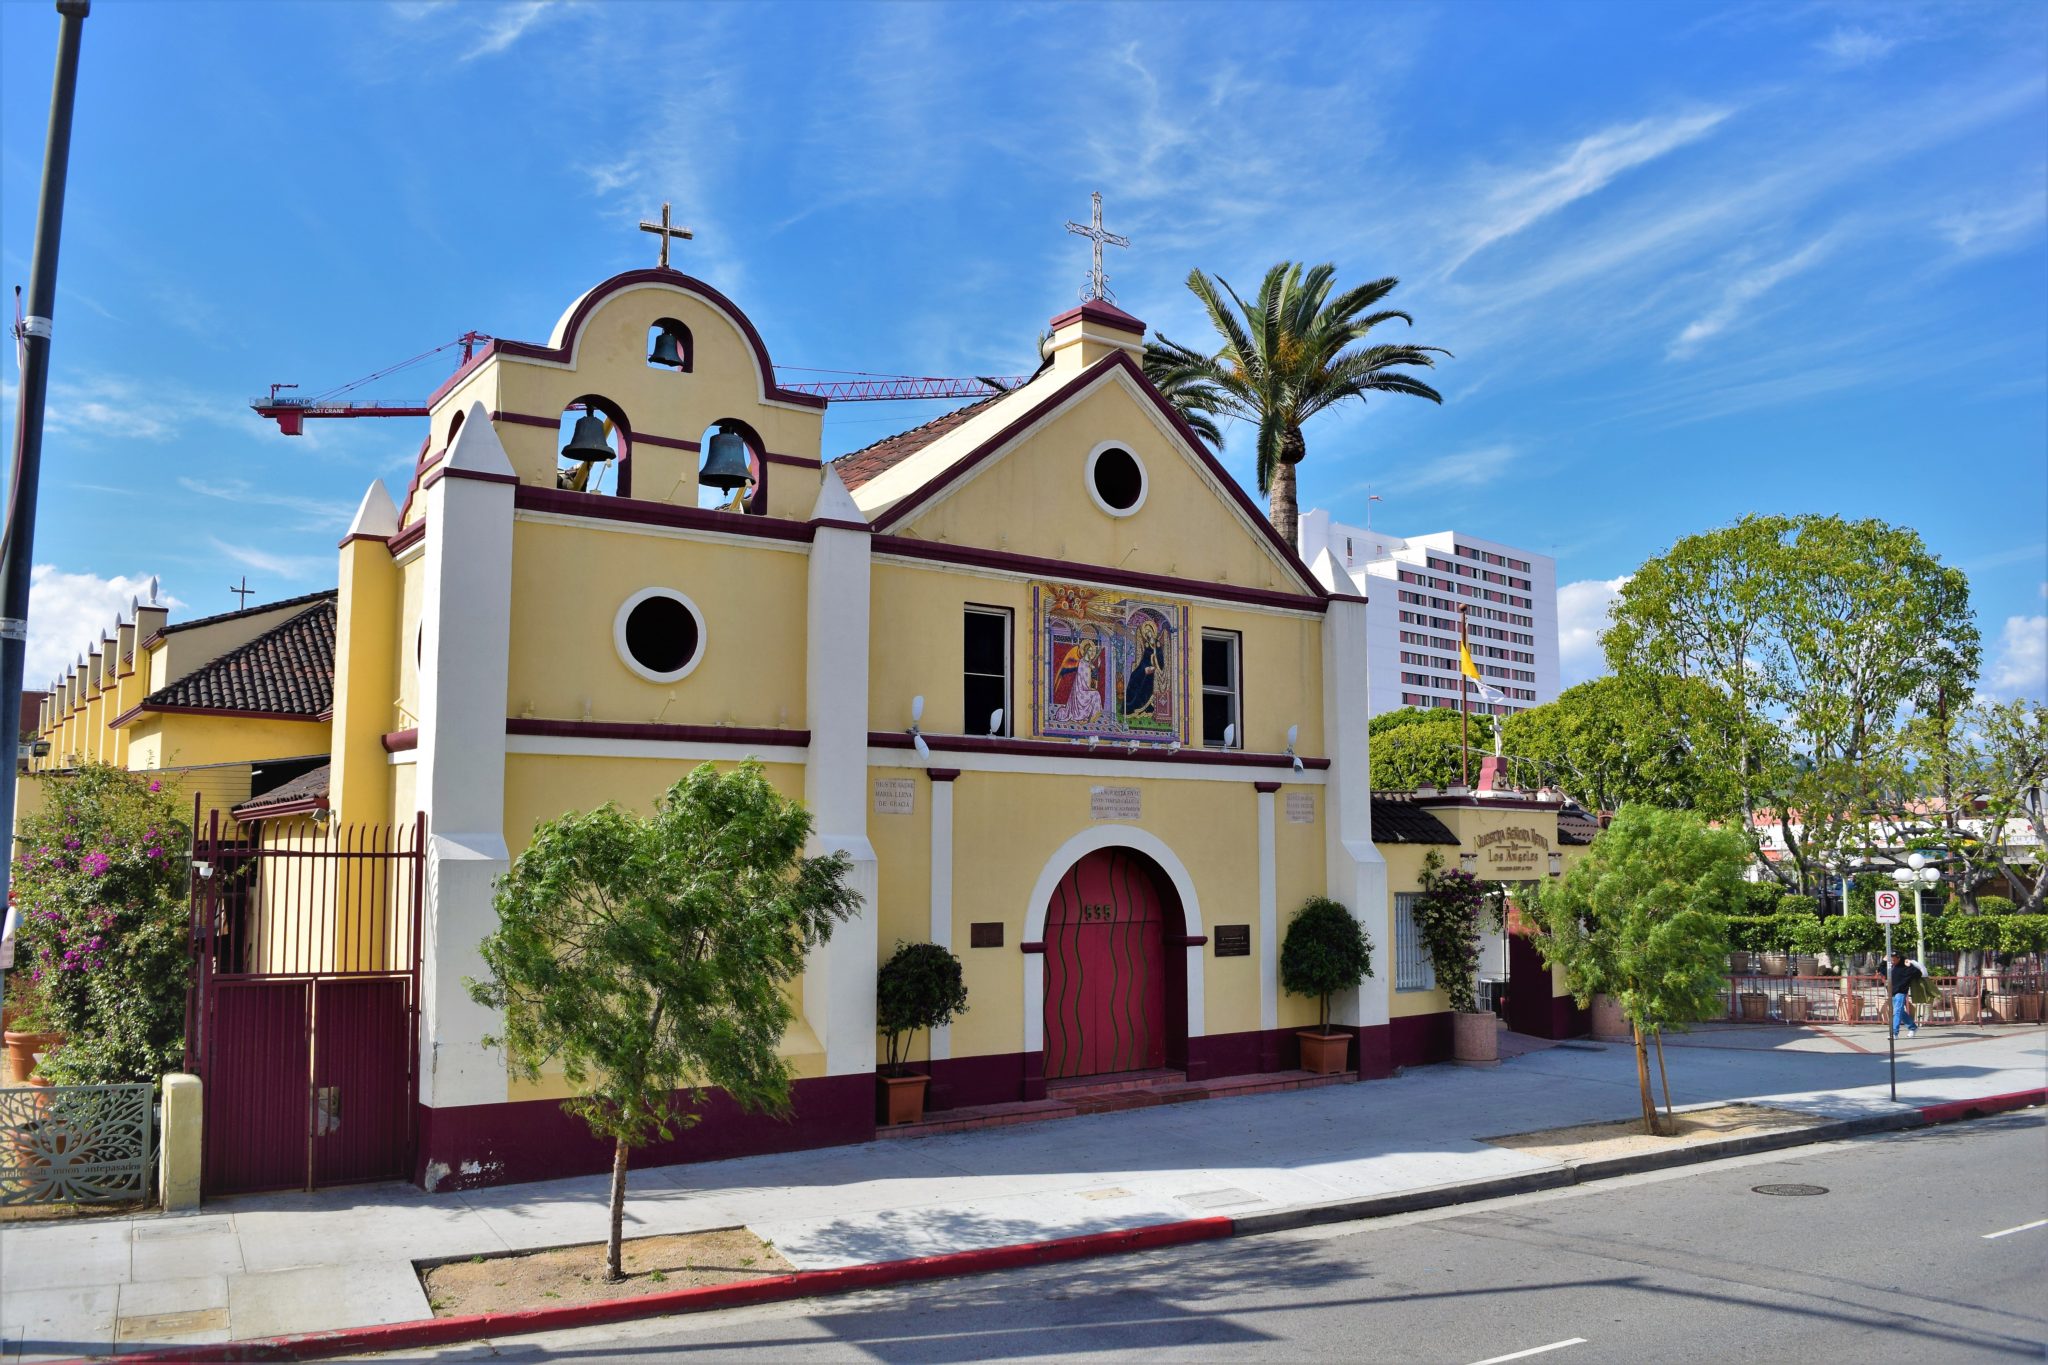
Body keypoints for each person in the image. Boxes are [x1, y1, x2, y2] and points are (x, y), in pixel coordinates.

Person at [1887, 949, 1923, 1039]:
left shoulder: (1905, 965)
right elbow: (1883, 971)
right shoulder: (1892, 965)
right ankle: (1913, 1027)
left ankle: (1894, 1033)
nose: (1892, 961)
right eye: (1890, 959)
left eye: (1893, 959)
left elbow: (1918, 974)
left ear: (1898, 958)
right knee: (1900, 1012)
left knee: (1897, 1011)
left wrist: (1909, 966)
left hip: (1901, 991)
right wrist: (1883, 963)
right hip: (1892, 991)